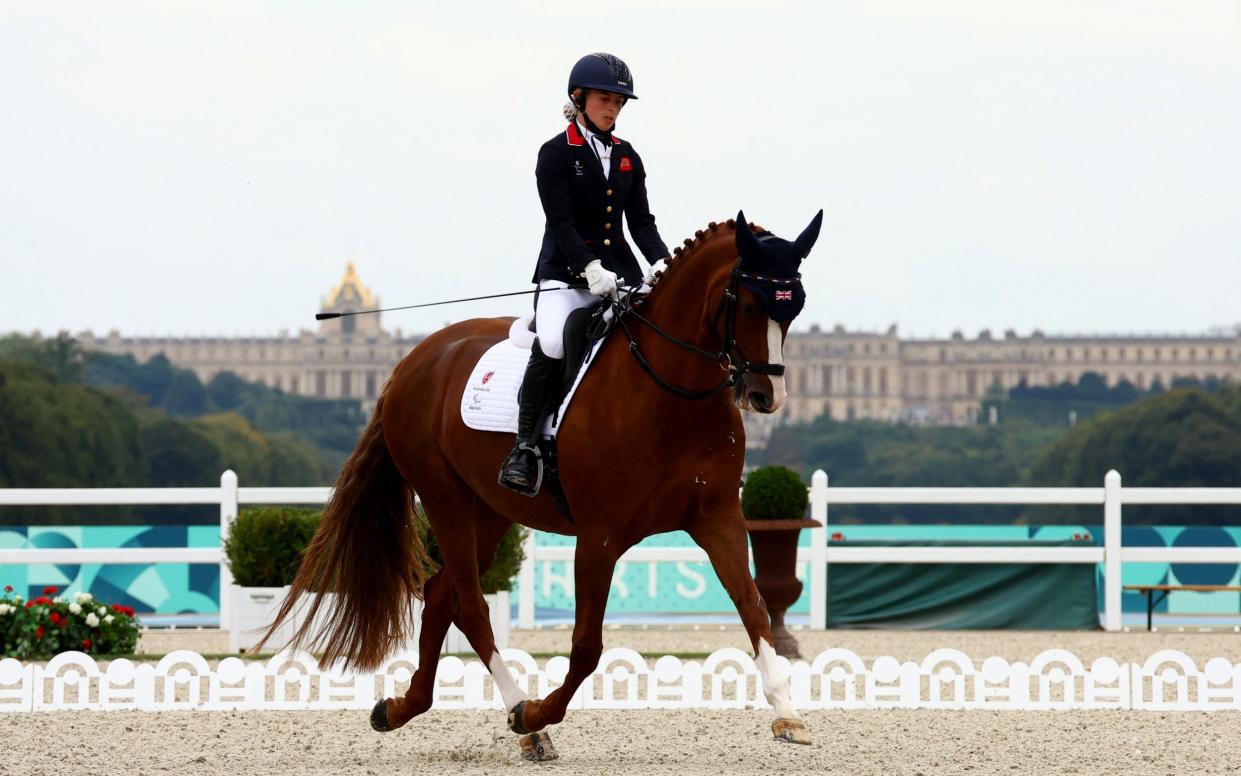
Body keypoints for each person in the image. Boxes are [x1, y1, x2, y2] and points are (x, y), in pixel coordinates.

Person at [498, 52, 671, 496]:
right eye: (604, 99)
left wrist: (662, 263)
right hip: (566, 276)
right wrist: (589, 267)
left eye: (618, 102)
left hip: (621, 277)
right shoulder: (555, 154)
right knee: (554, 341)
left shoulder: (628, 156)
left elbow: (642, 223)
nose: (612, 109)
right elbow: (561, 223)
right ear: (579, 98)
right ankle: (525, 448)